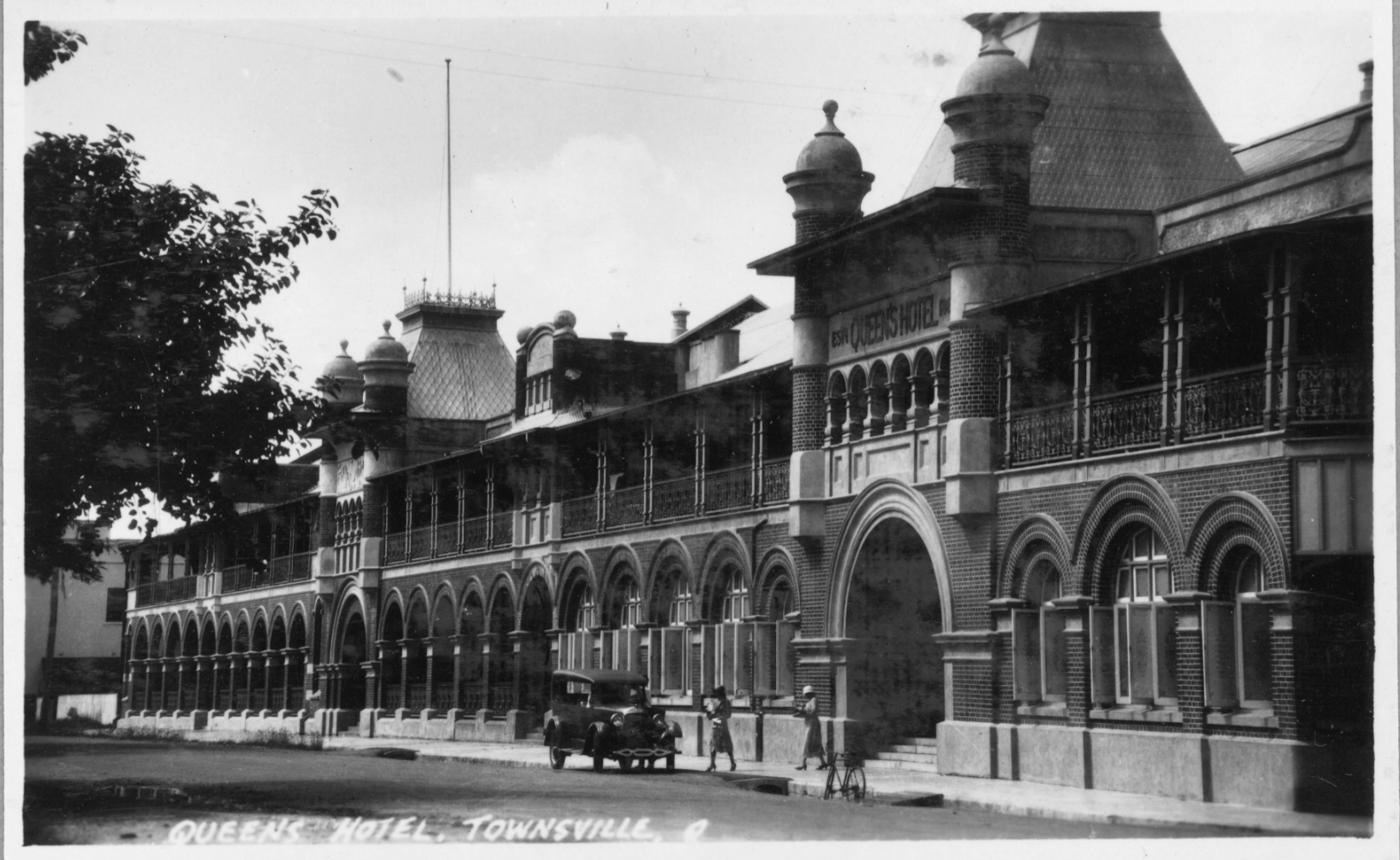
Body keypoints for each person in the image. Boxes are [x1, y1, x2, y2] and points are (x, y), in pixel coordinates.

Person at [795, 685, 828, 771]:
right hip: (810, 723)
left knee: (807, 742)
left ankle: (803, 764)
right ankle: (823, 763)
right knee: (815, 743)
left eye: (806, 694)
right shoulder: (810, 701)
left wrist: (803, 711)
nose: (805, 696)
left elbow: (812, 711)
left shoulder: (814, 700)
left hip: (813, 724)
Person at [704, 685, 736, 772]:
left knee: (727, 745)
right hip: (715, 726)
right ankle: (712, 764)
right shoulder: (715, 702)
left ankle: (733, 762)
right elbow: (709, 715)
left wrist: (718, 715)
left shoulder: (726, 702)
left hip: (723, 727)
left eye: (718, 694)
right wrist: (709, 712)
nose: (717, 696)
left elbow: (728, 714)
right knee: (713, 745)